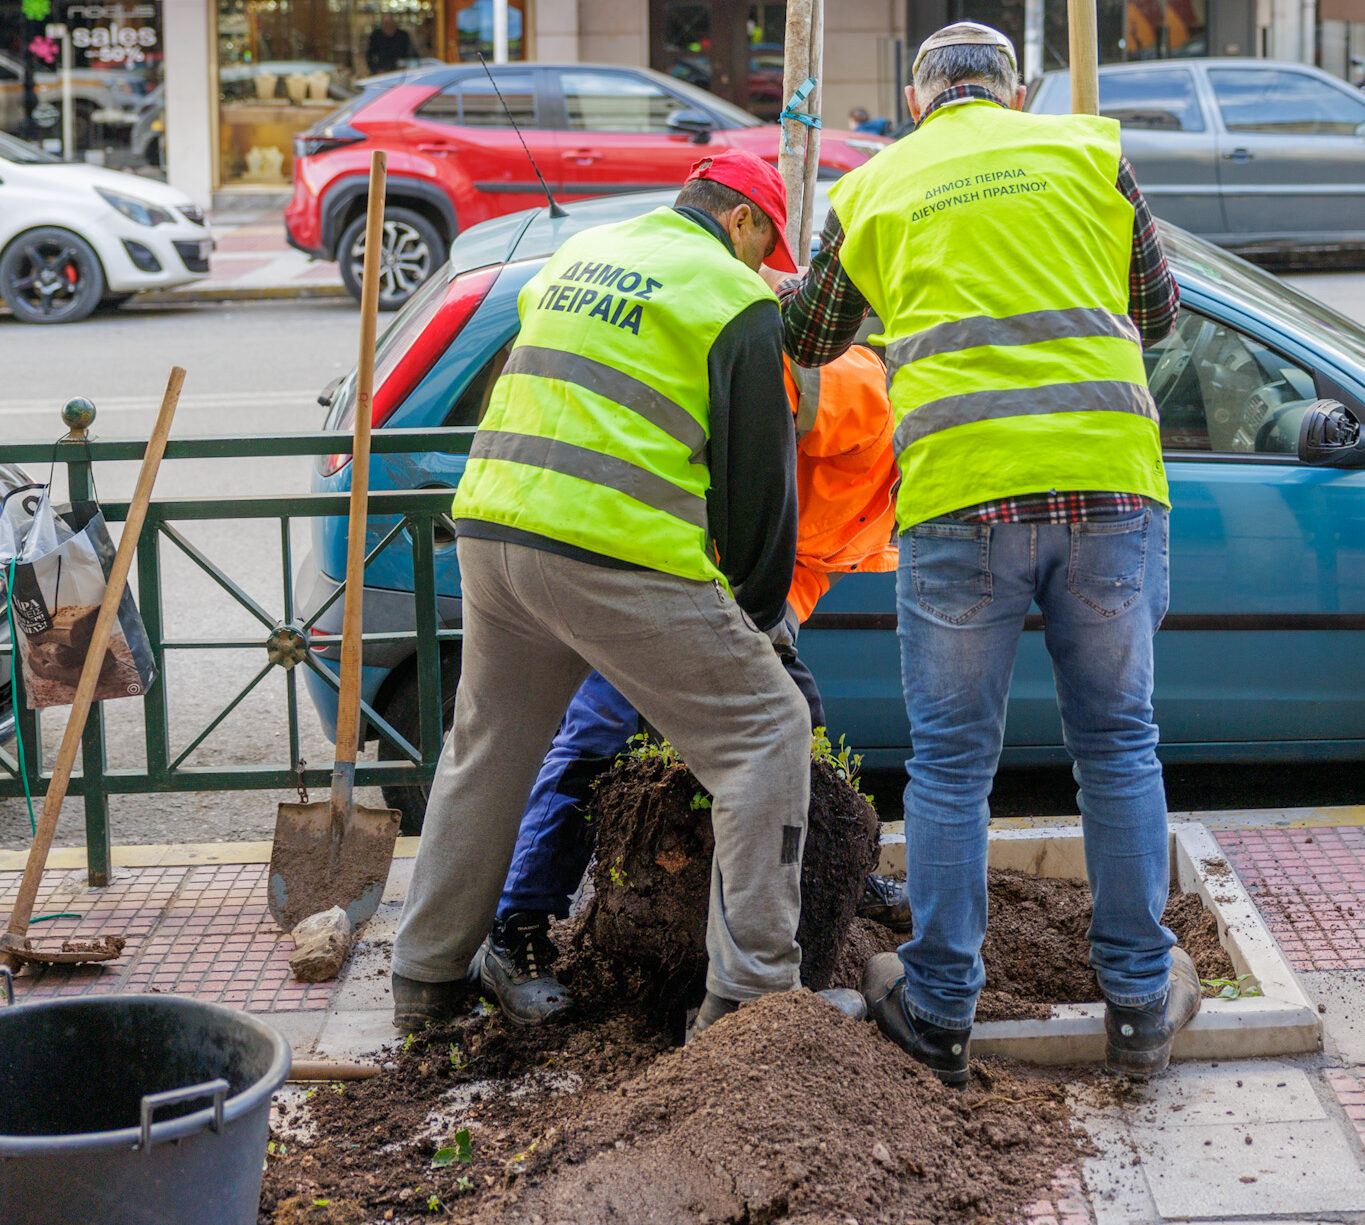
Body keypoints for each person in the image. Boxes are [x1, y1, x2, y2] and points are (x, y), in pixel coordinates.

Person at [779, 21, 1193, 1086]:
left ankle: (942, 1005)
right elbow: (1159, 311)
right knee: (1118, 743)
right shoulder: (1089, 150)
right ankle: (1142, 1001)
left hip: (962, 504)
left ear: (919, 101)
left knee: (955, 762)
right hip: (1108, 485)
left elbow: (814, 337)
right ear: (1015, 94)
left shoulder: (875, 184)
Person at [390, 149, 865, 1038]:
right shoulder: (736, 298)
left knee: (487, 749)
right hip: (611, 547)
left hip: (493, 529)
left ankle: (424, 978)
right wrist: (759, 623)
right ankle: (753, 1000)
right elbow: (758, 498)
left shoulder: (580, 255)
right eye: (765, 248)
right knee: (767, 731)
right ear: (742, 222)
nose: (765, 268)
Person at [475, 344, 907, 1026]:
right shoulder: (868, 392)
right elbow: (752, 395)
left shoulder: (897, 505)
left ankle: (829, 882)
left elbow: (809, 561)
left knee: (796, 723)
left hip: (734, 587)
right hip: (666, 560)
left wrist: (764, 631)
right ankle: (515, 929)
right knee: (600, 726)